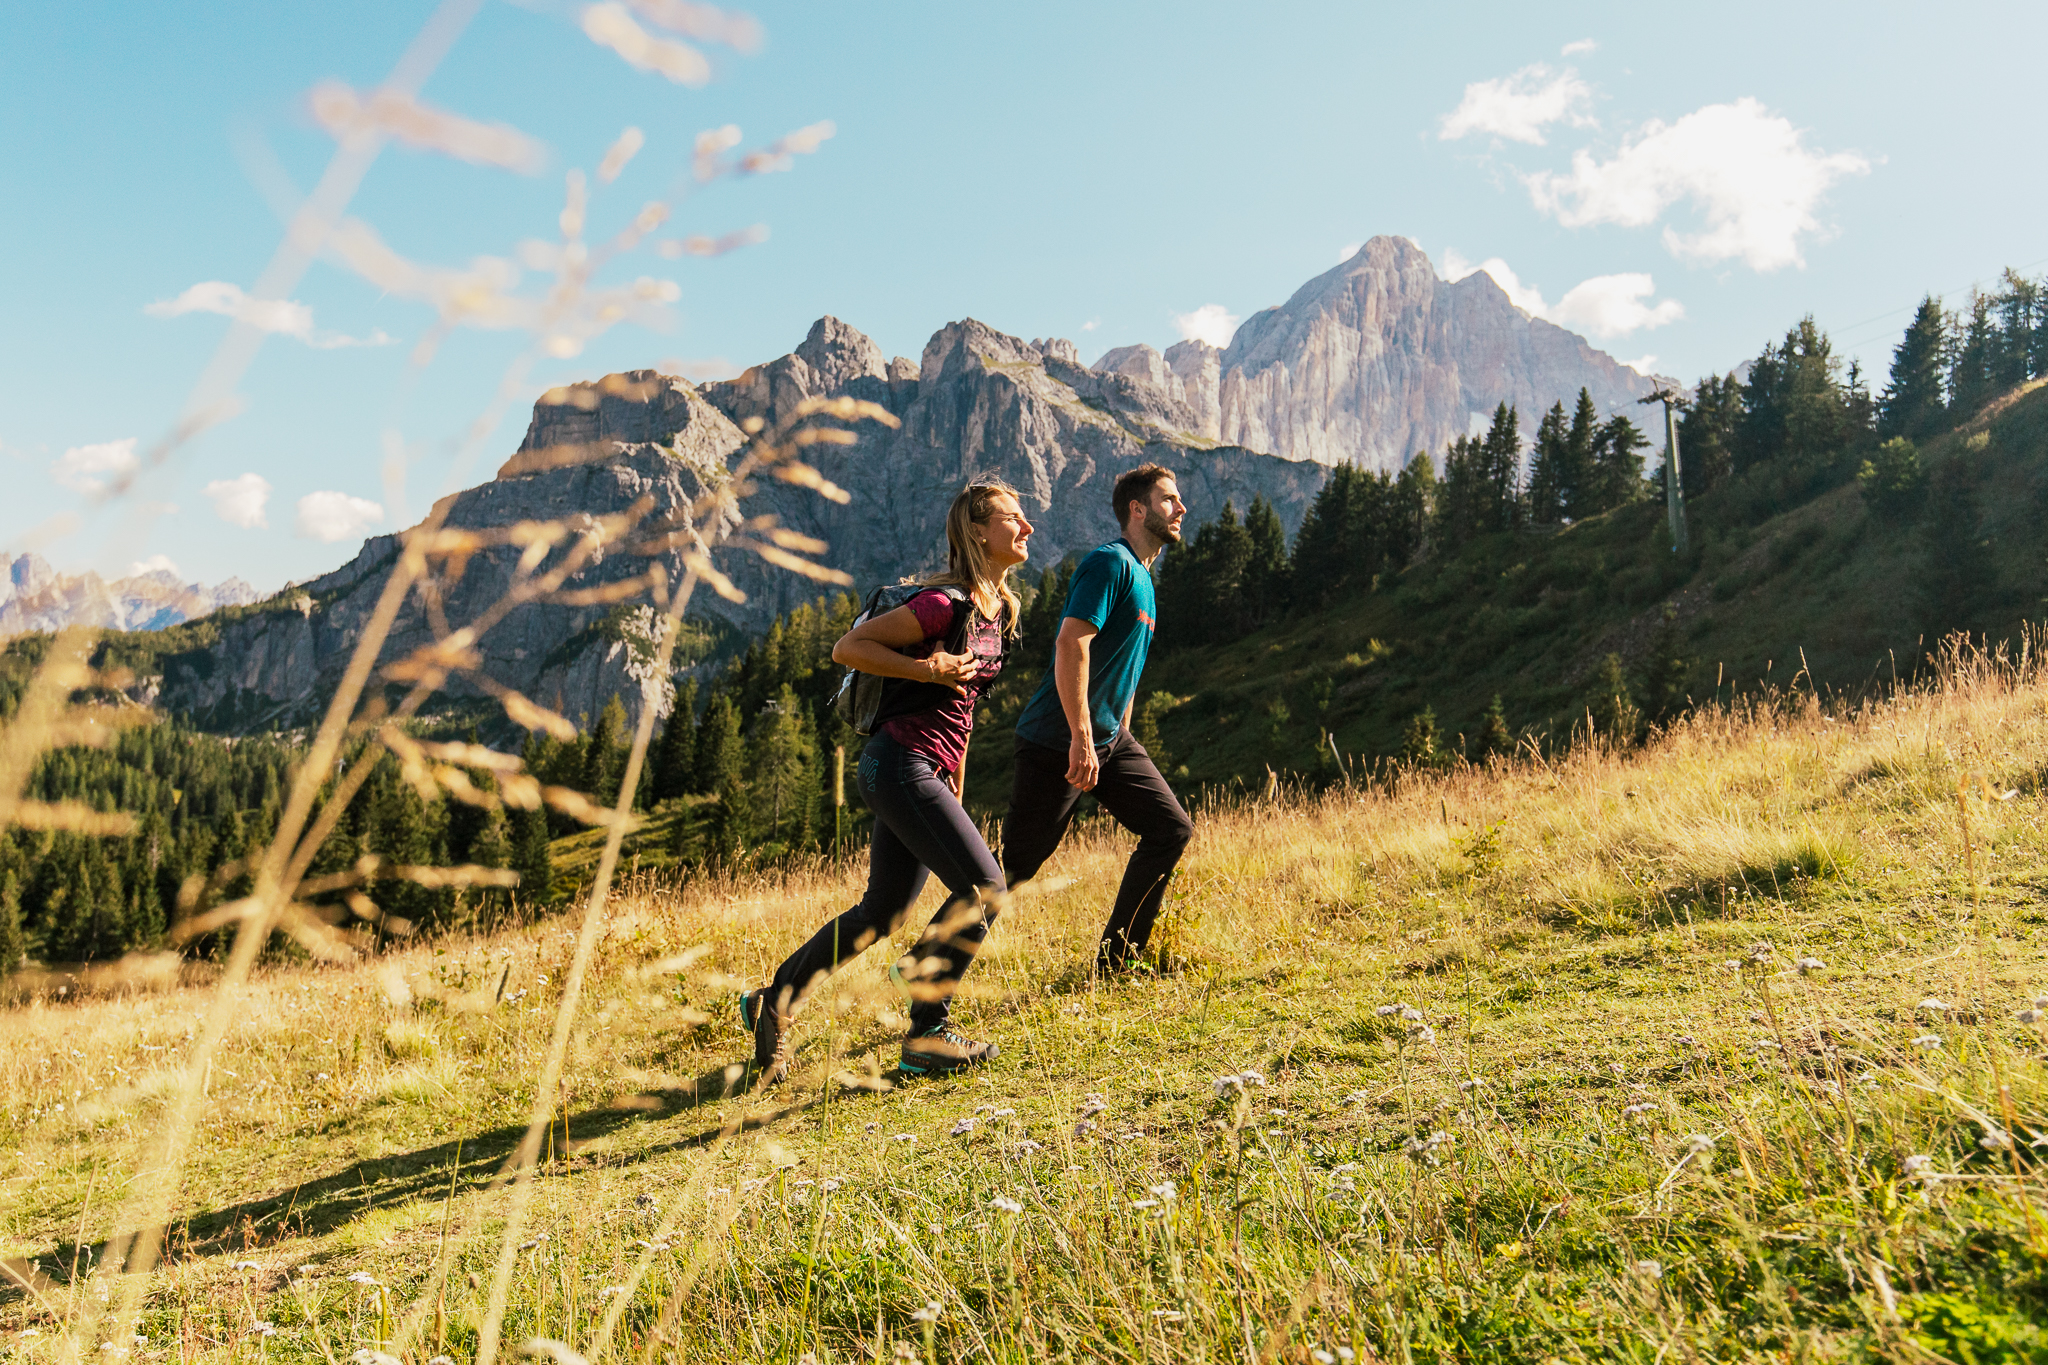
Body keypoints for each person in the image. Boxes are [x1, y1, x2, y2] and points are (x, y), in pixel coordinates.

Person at [740, 479, 1033, 1080]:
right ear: (978, 531)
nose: (1026, 527)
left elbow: (965, 710)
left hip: (922, 769)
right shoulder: (942, 605)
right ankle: (928, 1027)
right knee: (984, 885)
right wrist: (927, 668)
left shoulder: (997, 613)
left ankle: (777, 999)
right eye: (1012, 518)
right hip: (896, 763)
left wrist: (955, 778)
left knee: (884, 911)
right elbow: (849, 649)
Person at [1004, 463, 1194, 974]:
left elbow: (1123, 670)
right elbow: (1073, 643)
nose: (1181, 509)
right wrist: (1082, 740)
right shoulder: (1110, 563)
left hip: (1110, 739)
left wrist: (1117, 737)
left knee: (1170, 829)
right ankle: (925, 967)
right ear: (1138, 509)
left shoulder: (1146, 580)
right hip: (1056, 738)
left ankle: (1117, 963)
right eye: (1168, 500)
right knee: (1013, 869)